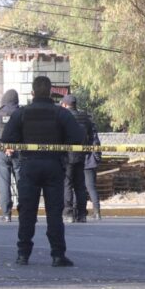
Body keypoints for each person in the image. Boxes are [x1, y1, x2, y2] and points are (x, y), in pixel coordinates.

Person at [1, 76, 84, 266]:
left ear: (32, 92)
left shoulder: (22, 113)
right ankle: (57, 255)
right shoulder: (60, 114)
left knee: (27, 212)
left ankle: (23, 254)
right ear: (50, 92)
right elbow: (77, 137)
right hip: (54, 165)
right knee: (54, 212)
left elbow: (7, 138)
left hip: (29, 165)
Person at [0, 89, 20, 222]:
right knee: (22, 183)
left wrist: (3, 147)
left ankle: (6, 214)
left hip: (2, 153)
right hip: (19, 153)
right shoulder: (21, 113)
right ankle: (24, 212)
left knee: (4, 184)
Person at [60, 94, 94, 223]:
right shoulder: (85, 118)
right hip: (81, 155)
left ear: (65, 105)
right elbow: (91, 135)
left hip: (66, 155)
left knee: (67, 184)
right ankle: (82, 214)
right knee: (80, 185)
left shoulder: (63, 117)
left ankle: (68, 213)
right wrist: (87, 150)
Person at [83, 125, 102, 220]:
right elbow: (96, 145)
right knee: (91, 188)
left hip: (80, 161)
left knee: (79, 188)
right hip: (90, 163)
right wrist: (97, 159)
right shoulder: (92, 130)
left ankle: (80, 211)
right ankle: (97, 212)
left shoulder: (76, 127)